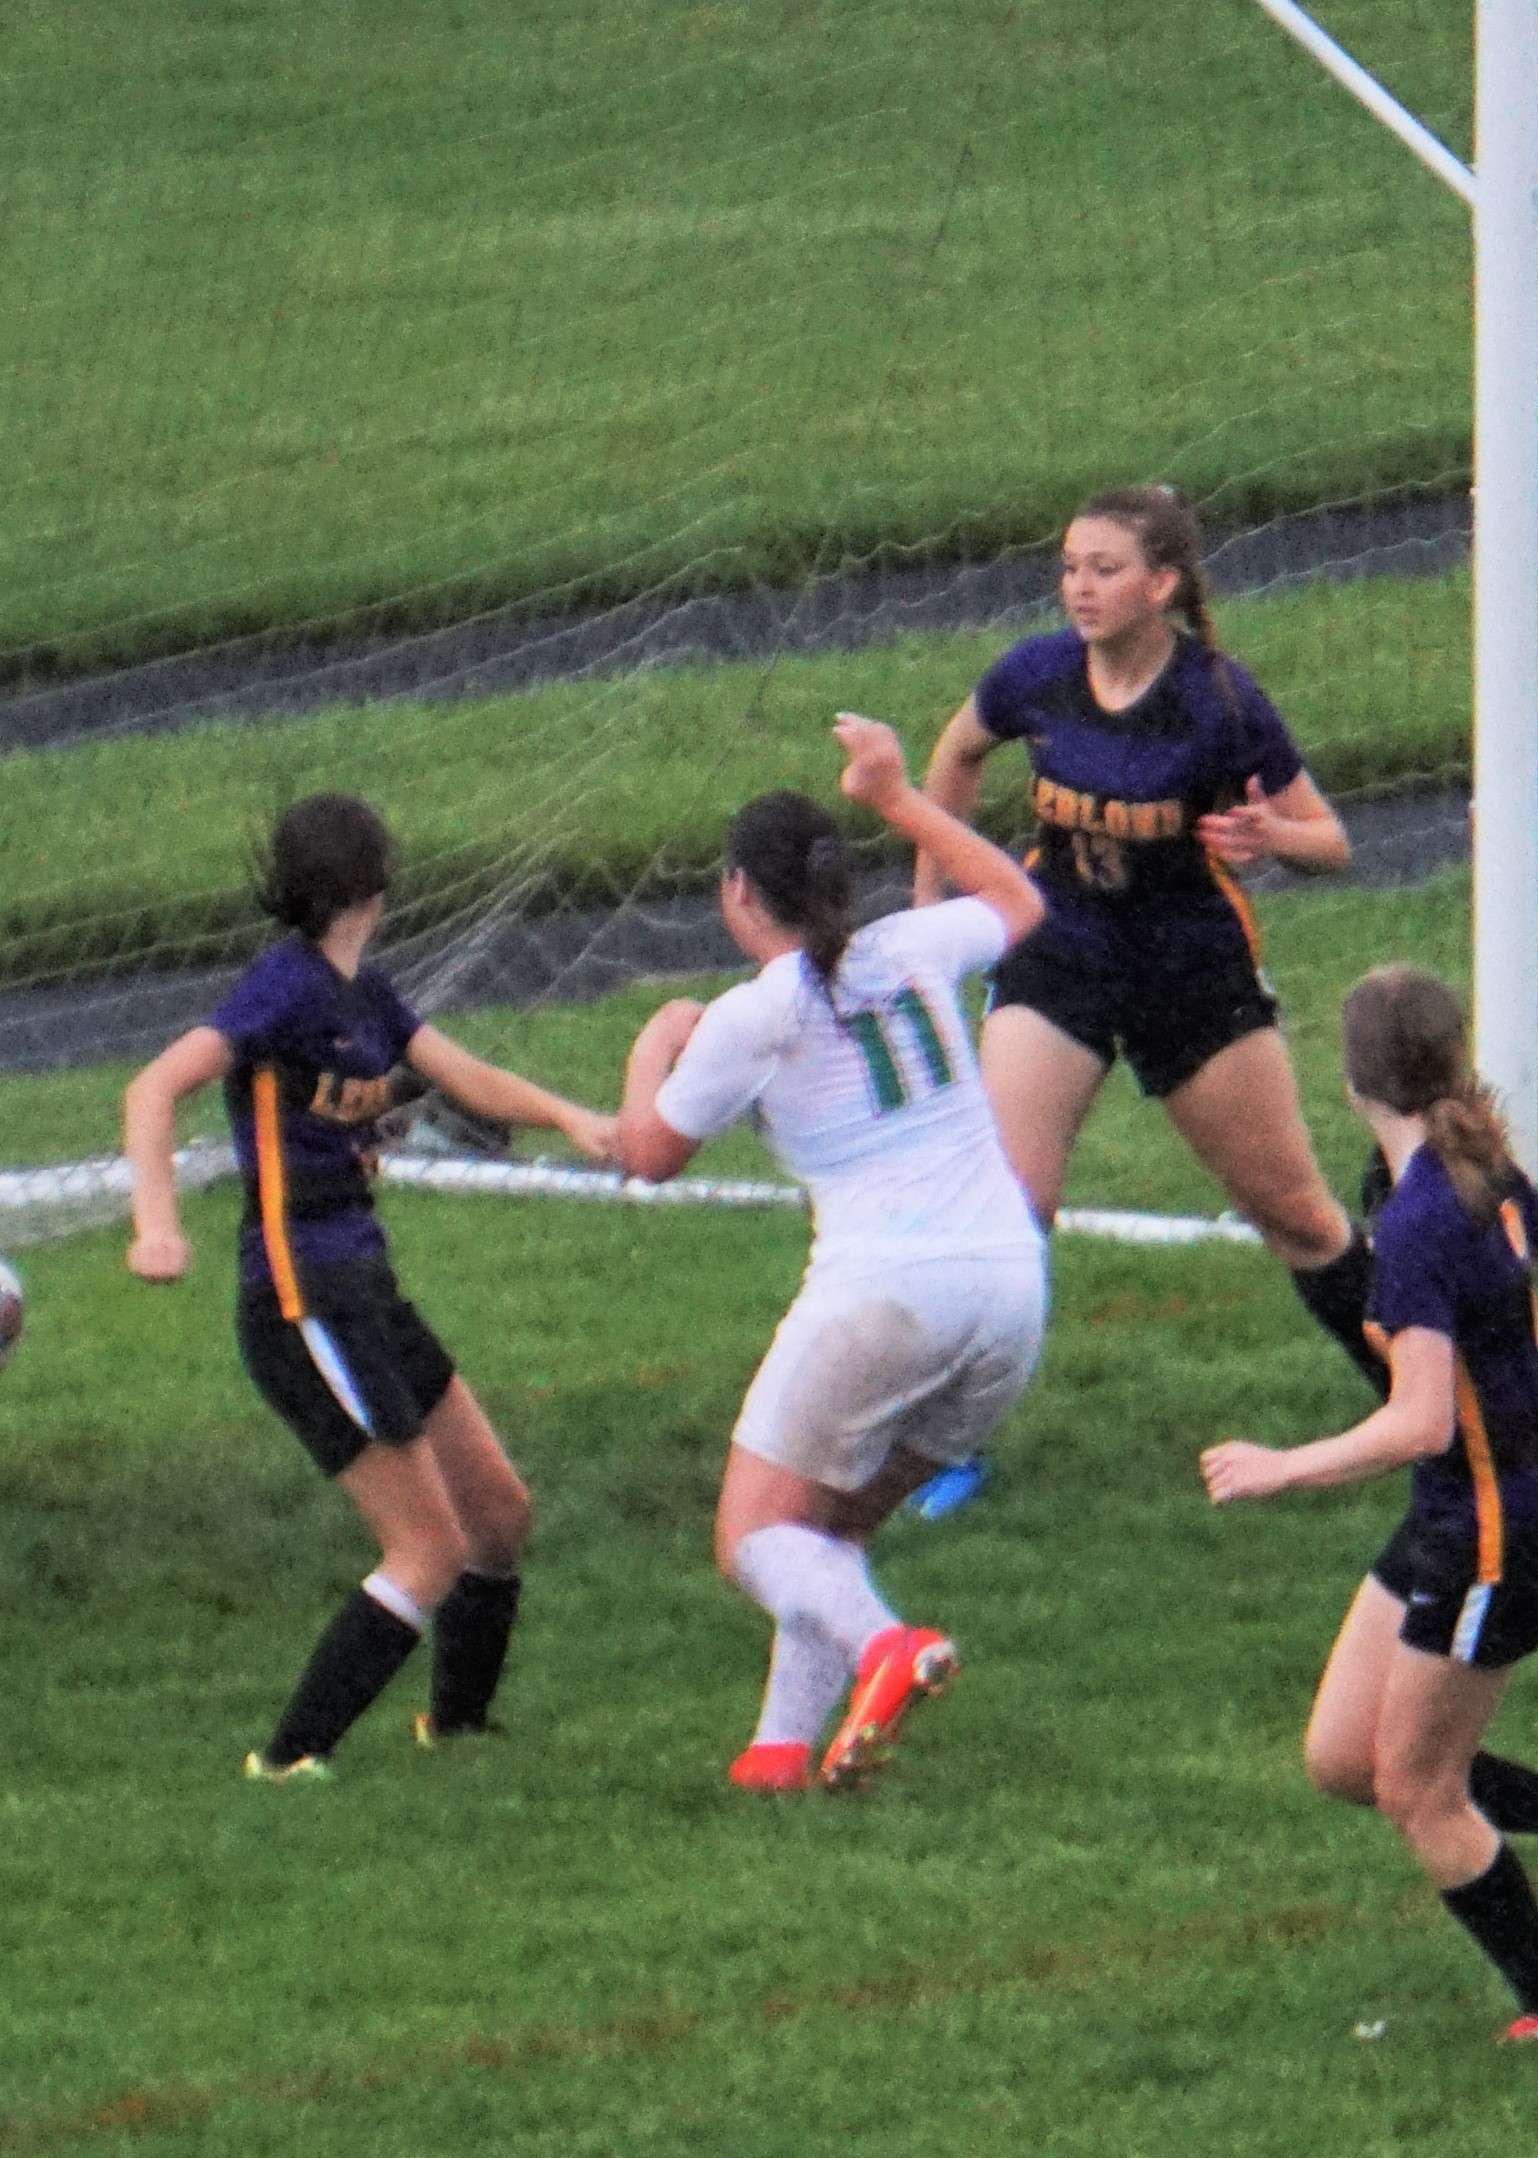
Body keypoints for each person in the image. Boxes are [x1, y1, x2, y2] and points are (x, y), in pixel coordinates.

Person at [1200, 965, 1538, 2041]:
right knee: (1341, 1759)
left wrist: (1282, 1465)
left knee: (1416, 1789)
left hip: (1494, 1533)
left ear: (1352, 1079)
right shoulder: (1476, 1173)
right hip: (1461, 1508)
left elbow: (1416, 1420)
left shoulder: (1420, 1219)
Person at [904, 485, 1380, 1524]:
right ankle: (951, 1443)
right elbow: (954, 754)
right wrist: (932, 906)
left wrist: (1269, 844)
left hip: (1187, 968)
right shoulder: (1032, 676)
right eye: (1070, 565)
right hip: (1058, 952)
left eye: (1104, 568)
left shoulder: (1220, 700)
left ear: (1161, 586)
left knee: (1295, 1214)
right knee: (1007, 1209)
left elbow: (1329, 841)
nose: (1079, 586)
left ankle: (1424, 1403)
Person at [120, 793, 617, 1780]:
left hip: (365, 1291)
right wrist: (157, 1224)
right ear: (372, 883)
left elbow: (462, 1076)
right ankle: (289, 1760)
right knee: (427, 1550)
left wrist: (574, 1119)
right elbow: (151, 1089)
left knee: (498, 1516)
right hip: (302, 1300)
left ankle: (459, 1737)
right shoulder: (283, 990)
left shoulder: (368, 996)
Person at [615, 716, 1047, 1792]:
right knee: (828, 1530)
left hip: (882, 1299)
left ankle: (888, 1649)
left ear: (737, 895)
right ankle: (776, 1754)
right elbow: (1020, 903)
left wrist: (652, 1045)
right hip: (1009, 1293)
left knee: (754, 1540)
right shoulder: (913, 943)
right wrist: (899, 797)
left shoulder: (751, 1015)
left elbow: (649, 1155)